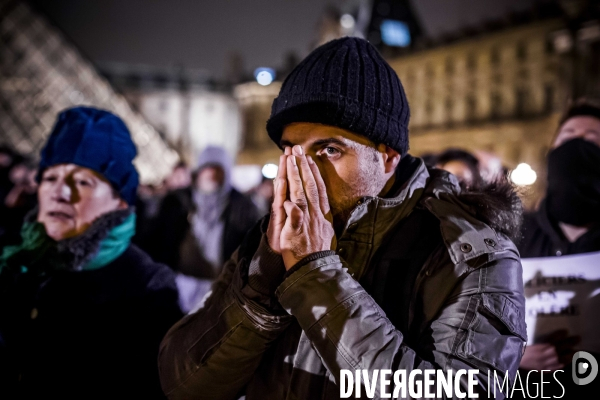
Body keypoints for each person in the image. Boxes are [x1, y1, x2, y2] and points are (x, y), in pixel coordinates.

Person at [158, 37, 526, 399]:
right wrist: (258, 292)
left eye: (329, 150)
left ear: (387, 156)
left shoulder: (469, 254)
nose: (305, 175)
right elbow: (183, 384)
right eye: (292, 152)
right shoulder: (269, 238)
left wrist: (316, 275)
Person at [0, 107, 183, 399]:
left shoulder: (147, 287)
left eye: (83, 181)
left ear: (120, 202)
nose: (60, 191)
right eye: (51, 178)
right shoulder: (20, 262)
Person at [516, 99, 600, 399]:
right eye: (569, 137)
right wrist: (514, 356)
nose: (578, 145)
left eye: (591, 140)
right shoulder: (514, 234)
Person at [149, 146, 260, 311]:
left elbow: (251, 250)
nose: (211, 174)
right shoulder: (176, 202)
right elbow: (158, 243)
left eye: (218, 169)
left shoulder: (242, 207)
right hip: (178, 288)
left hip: (222, 292)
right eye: (207, 168)